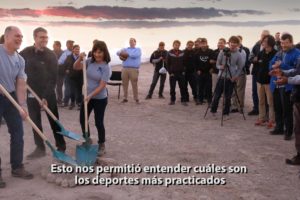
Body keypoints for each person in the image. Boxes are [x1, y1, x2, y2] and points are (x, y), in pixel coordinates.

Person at [20, 27, 66, 159]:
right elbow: (16, 65)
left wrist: (45, 96)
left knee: (54, 120)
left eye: (46, 38)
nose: (44, 40)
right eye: (41, 37)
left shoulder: (51, 55)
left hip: (48, 92)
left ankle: (61, 146)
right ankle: (40, 148)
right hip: (31, 91)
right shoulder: (25, 53)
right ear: (35, 38)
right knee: (35, 121)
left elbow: (53, 78)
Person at [0, 26, 34, 188]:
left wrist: (22, 105)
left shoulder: (20, 60)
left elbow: (21, 84)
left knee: (18, 132)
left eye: (21, 36)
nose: (20, 39)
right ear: (6, 37)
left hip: (11, 96)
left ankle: (17, 167)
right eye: (16, 36)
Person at [74, 41, 111, 156]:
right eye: (95, 51)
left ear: (104, 52)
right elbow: (76, 67)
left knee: (99, 122)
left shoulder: (106, 67)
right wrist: (80, 58)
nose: (97, 54)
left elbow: (102, 86)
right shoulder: (90, 61)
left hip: (100, 98)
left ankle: (101, 144)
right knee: (82, 119)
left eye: (100, 52)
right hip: (86, 96)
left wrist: (90, 95)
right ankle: (87, 139)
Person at [269, 33, 300, 140]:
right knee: (277, 108)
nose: (283, 45)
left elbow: (296, 70)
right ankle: (279, 127)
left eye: (286, 43)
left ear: (291, 42)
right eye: (282, 43)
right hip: (276, 84)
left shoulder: (297, 53)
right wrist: (273, 67)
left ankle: (288, 132)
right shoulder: (279, 52)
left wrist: (281, 65)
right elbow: (271, 63)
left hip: (287, 86)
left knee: (287, 110)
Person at [270, 58, 300, 164]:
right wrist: (282, 72)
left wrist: (288, 80)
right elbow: (296, 71)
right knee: (298, 129)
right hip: (297, 97)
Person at [210, 36, 244, 119]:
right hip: (221, 76)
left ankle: (226, 114)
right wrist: (220, 67)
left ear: (237, 44)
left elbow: (240, 67)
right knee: (217, 95)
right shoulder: (222, 52)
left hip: (230, 78)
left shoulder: (239, 54)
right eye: (231, 43)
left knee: (228, 97)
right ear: (229, 43)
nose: (233, 45)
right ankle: (213, 111)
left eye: (235, 43)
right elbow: (217, 64)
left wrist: (235, 76)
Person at [255, 35, 277, 128]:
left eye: (265, 41)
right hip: (259, 81)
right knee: (261, 101)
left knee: (271, 102)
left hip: (270, 82)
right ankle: (262, 118)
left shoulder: (276, 54)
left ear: (270, 42)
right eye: (263, 41)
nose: (263, 42)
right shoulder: (260, 53)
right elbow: (257, 66)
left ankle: (272, 120)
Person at [248, 30, 270, 116]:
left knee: (265, 92)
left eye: (266, 36)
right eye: (263, 36)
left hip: (266, 73)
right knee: (254, 91)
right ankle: (256, 108)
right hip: (256, 72)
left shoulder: (272, 46)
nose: (264, 37)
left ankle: (266, 111)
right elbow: (250, 57)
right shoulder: (256, 45)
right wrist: (255, 59)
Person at [117, 38, 142, 103]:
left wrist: (126, 54)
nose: (131, 42)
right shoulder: (125, 49)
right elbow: (117, 53)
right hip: (125, 68)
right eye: (130, 41)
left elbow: (134, 55)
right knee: (124, 84)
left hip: (134, 69)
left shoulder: (138, 49)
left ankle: (136, 98)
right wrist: (122, 53)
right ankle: (125, 98)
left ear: (135, 42)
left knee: (134, 84)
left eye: (132, 41)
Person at [231, 35, 250, 113]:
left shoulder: (243, 51)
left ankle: (240, 107)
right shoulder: (230, 51)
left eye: (236, 42)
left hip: (240, 73)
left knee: (240, 91)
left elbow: (242, 63)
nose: (234, 44)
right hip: (232, 73)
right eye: (233, 42)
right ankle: (234, 106)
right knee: (233, 90)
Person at [166, 40, 188, 106]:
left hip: (181, 73)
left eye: (178, 45)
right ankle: (172, 100)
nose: (176, 46)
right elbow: (167, 64)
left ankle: (183, 100)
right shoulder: (169, 53)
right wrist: (170, 73)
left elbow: (185, 63)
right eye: (175, 45)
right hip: (173, 73)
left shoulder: (182, 53)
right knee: (172, 88)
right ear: (173, 45)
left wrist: (184, 71)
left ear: (179, 45)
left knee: (183, 87)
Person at [194, 38, 214, 105]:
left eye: (204, 43)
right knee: (200, 87)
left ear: (206, 43)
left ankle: (209, 101)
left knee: (209, 87)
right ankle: (200, 100)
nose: (203, 45)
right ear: (200, 44)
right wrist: (197, 70)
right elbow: (195, 63)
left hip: (208, 72)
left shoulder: (211, 51)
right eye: (202, 43)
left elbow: (214, 61)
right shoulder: (197, 53)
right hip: (200, 73)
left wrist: (212, 68)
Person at [62, 45, 82, 110]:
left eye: (78, 49)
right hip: (71, 77)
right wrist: (66, 70)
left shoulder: (81, 57)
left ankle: (79, 103)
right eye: (76, 49)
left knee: (79, 90)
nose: (77, 50)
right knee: (72, 91)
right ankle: (72, 103)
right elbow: (64, 65)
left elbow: (84, 66)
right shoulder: (69, 57)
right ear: (73, 50)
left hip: (79, 76)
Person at [57, 40, 74, 106]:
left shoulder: (75, 51)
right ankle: (65, 101)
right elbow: (60, 62)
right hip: (66, 72)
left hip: (74, 73)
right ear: (67, 45)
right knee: (66, 87)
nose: (71, 45)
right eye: (70, 44)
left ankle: (73, 101)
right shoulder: (65, 53)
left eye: (72, 44)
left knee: (73, 87)